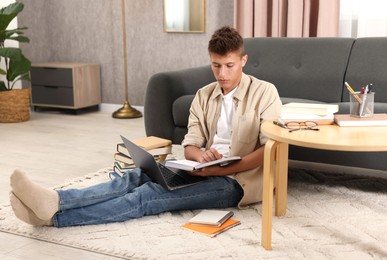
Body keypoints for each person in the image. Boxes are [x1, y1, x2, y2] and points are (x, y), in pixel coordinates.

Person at [9, 26, 282, 227]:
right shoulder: (204, 94)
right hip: (202, 170)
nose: (222, 74)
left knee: (148, 197)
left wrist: (221, 168)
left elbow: (271, 148)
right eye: (216, 66)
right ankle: (56, 199)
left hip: (235, 182)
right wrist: (200, 159)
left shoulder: (265, 92)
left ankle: (54, 218)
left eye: (229, 66)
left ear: (243, 61)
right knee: (134, 177)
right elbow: (190, 143)